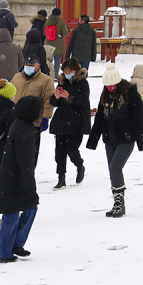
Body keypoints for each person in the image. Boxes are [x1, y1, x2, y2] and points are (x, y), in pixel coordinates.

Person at [86, 63, 143, 219]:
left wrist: (142, 139)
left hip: (126, 137)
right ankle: (117, 203)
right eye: (107, 85)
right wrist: (93, 139)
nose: (110, 88)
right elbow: (100, 118)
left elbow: (138, 117)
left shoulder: (131, 93)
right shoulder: (105, 95)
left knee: (115, 167)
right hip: (110, 137)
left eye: (113, 85)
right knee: (112, 170)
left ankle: (119, 203)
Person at [0, 95, 43, 263]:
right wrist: (30, 183)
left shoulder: (20, 124)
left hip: (11, 175)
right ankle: (4, 252)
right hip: (14, 178)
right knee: (12, 214)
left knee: (27, 209)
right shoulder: (25, 130)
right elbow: (25, 160)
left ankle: (15, 245)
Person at [49, 56, 91, 189]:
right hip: (61, 121)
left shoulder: (83, 83)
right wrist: (56, 96)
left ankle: (79, 165)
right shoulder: (62, 82)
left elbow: (84, 102)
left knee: (72, 150)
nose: (67, 73)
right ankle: (61, 178)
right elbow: (54, 102)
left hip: (76, 122)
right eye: (65, 71)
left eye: (70, 70)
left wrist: (70, 97)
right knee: (59, 152)